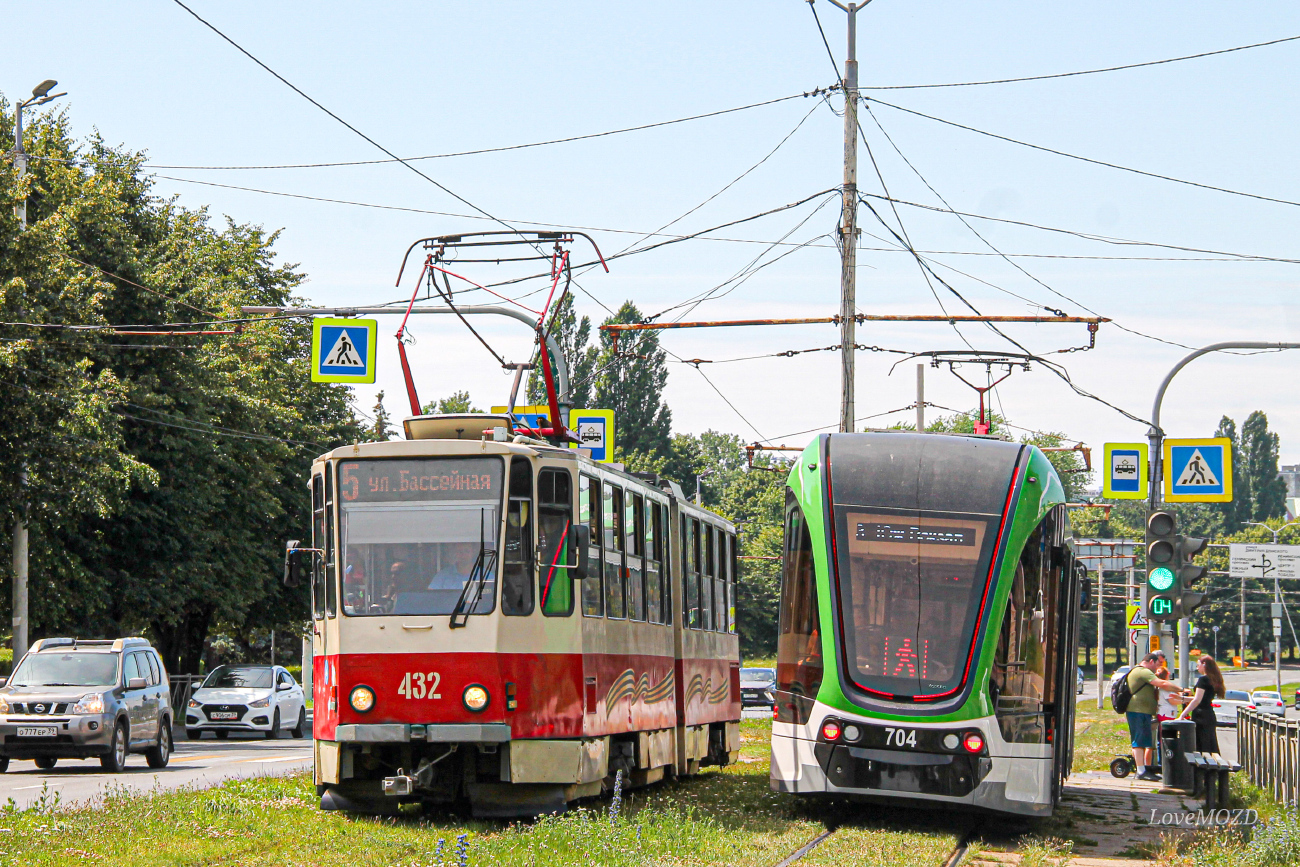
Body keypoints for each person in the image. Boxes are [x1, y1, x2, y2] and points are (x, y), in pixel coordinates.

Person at [1126, 651, 1183, 782]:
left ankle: (1143, 769)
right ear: (1151, 661)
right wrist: (1181, 689)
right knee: (1139, 740)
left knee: (1143, 740)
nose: (1156, 669)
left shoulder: (1140, 671)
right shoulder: (1143, 671)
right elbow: (1162, 683)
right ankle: (1140, 771)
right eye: (1156, 665)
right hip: (1137, 711)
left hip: (1142, 711)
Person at [1175, 655, 1225, 755]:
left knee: (1201, 744)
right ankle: (1212, 768)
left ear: (1204, 664)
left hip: (1200, 715)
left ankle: (1203, 768)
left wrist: (1182, 715)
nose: (1197, 667)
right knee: (1210, 743)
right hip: (1209, 714)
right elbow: (1202, 698)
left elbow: (1197, 700)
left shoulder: (1203, 679)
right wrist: (1182, 699)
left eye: (1198, 665)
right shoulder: (1214, 679)